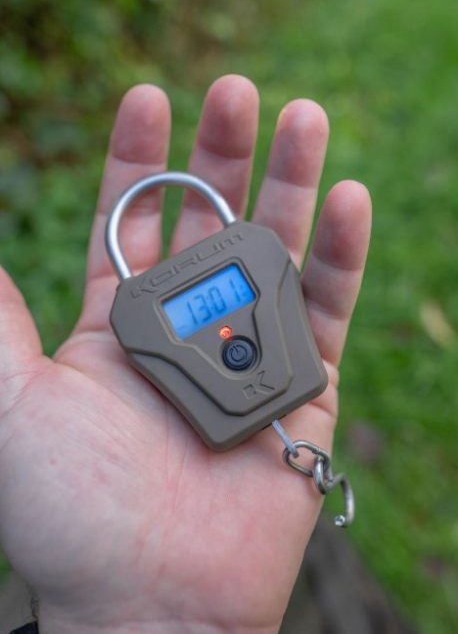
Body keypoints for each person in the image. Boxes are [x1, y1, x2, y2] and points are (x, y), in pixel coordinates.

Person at [0, 75, 372, 634]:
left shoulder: (243, 256)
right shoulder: (136, 314)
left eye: (224, 298)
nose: (227, 333)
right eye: (199, 311)